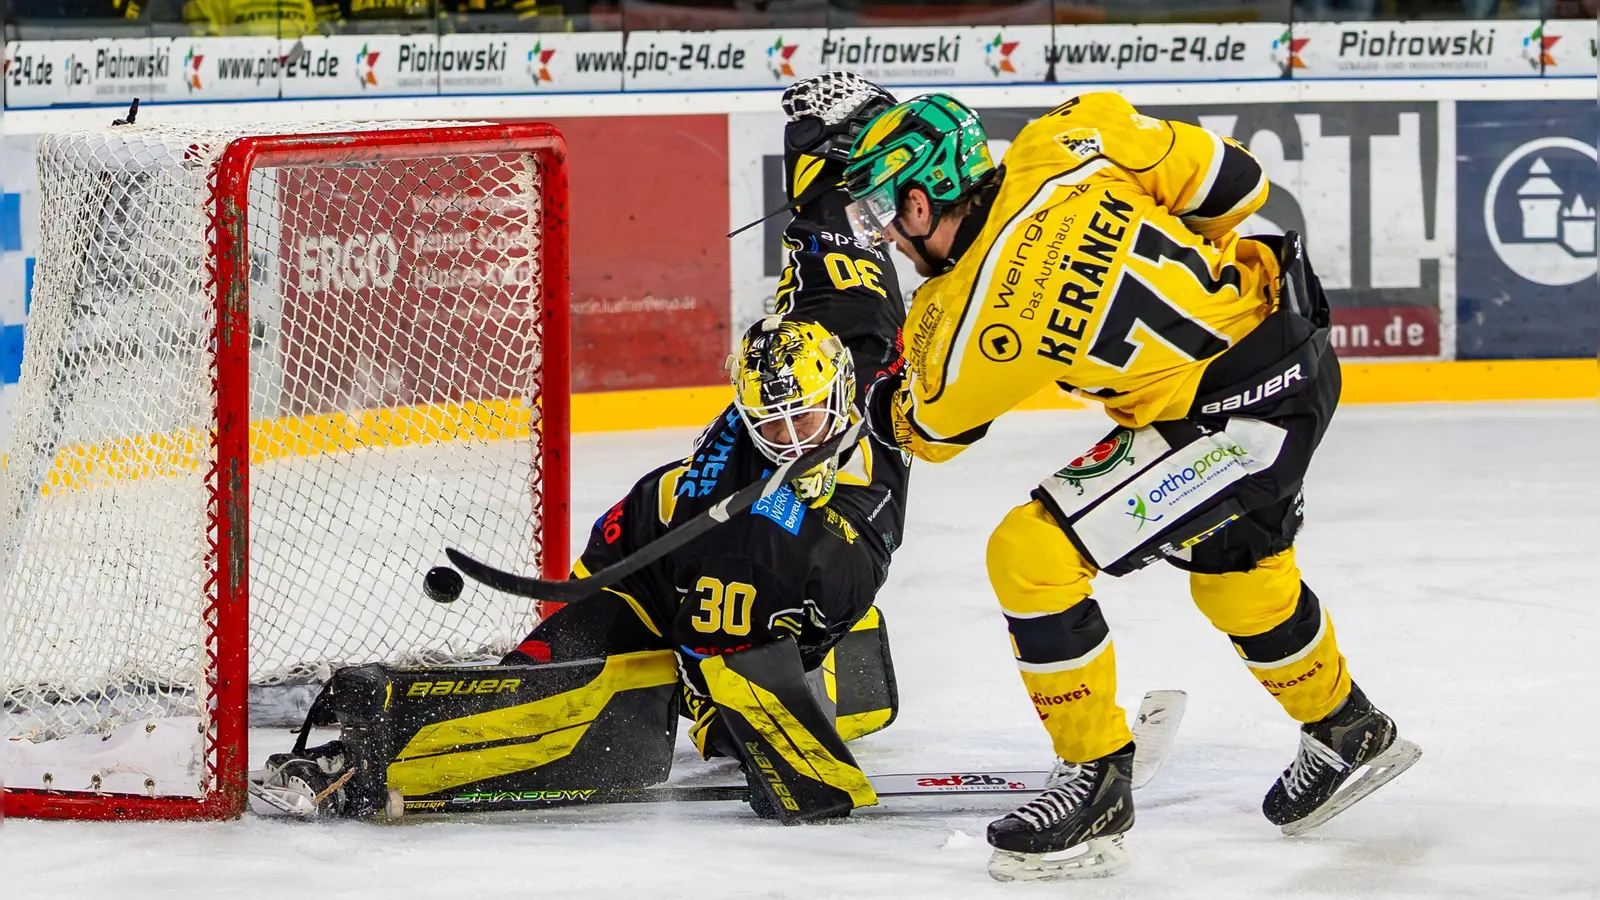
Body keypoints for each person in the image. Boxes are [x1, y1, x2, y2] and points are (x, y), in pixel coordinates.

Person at [255, 73, 912, 824]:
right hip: (647, 557)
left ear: (843, 388)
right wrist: (739, 727)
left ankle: (809, 657)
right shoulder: (751, 528)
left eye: (806, 420)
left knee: (732, 683)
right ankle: (364, 762)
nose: (791, 441)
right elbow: (717, 656)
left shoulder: (857, 357)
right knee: (557, 691)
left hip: (770, 583)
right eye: (774, 424)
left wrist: (822, 147)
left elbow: (830, 242)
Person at [841, 91, 1419, 880]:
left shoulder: (967, 314)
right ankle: (1348, 728)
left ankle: (1097, 781)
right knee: (1239, 577)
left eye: (882, 211)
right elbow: (1239, 185)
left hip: (1235, 425)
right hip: (1291, 340)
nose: (883, 233)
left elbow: (928, 432)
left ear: (919, 202)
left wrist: (880, 378)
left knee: (1029, 556)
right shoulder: (1071, 137)